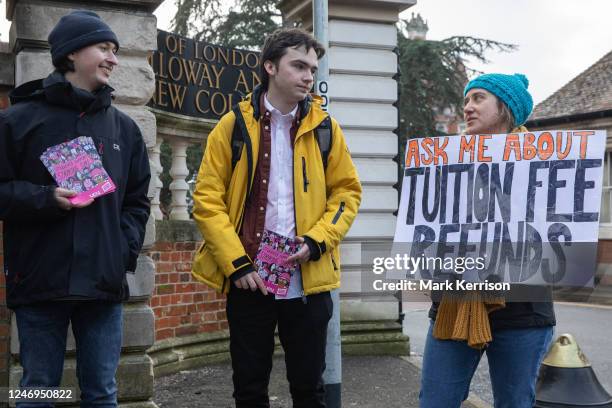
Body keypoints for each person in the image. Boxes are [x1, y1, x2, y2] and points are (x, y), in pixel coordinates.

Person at [192, 28, 362, 407]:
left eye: (312, 68)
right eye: (298, 66)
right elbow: (207, 200)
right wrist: (236, 265)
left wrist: (317, 240)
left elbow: (347, 193)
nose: (308, 76)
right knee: (249, 390)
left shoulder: (325, 129)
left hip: (308, 280)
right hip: (249, 278)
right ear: (270, 66)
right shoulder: (232, 125)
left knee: (309, 390)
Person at [0, 10, 151, 407]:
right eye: (104, 48)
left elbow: (137, 202)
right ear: (70, 54)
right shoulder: (17, 121)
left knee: (102, 393)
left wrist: (122, 252)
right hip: (38, 281)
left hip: (103, 283)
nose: (113, 59)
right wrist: (45, 198)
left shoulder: (125, 130)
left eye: (115, 50)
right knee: (38, 390)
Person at [419, 73, 555, 408]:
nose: (467, 107)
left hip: (523, 310)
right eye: (466, 100)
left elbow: (559, 237)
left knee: (514, 403)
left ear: (505, 108)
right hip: (453, 304)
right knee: (435, 401)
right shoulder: (445, 162)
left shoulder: (545, 165)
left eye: (478, 98)